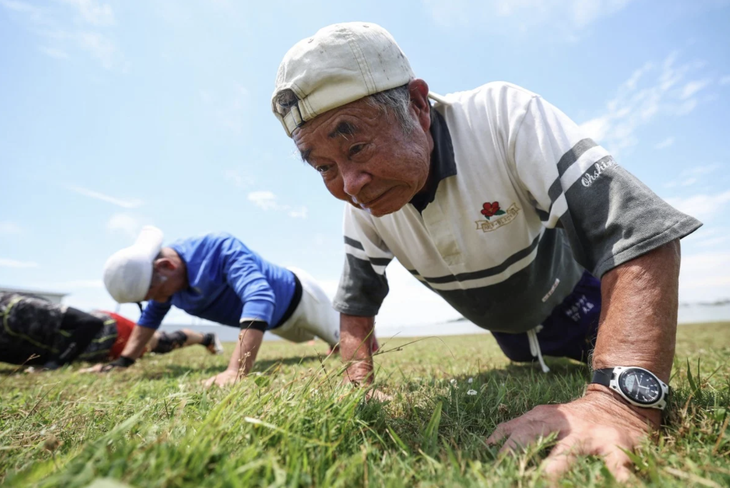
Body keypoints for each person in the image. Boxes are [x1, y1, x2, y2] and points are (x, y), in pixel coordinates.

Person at [270, 22, 702, 480]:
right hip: (509, 335)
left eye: (356, 145)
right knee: (523, 359)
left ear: (417, 105)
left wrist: (620, 401)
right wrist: (359, 386)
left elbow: (636, 230)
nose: (350, 185)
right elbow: (356, 307)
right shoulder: (363, 206)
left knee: (613, 358)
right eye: (323, 168)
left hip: (581, 303)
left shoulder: (503, 117)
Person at [93, 226, 362, 387]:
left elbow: (259, 297)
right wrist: (123, 362)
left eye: (154, 292)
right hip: (277, 324)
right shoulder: (165, 287)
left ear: (166, 267)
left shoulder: (219, 247)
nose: (157, 301)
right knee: (306, 343)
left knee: (345, 347)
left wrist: (236, 371)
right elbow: (148, 320)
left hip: (302, 299)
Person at [0, 290, 220, 369]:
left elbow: (89, 323)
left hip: (111, 332)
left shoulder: (15, 309)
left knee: (162, 343)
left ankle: (205, 337)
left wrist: (56, 362)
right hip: (93, 348)